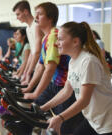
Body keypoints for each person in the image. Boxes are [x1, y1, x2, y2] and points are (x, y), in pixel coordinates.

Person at [40, 21, 112, 135]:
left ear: (75, 41)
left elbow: (84, 100)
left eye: (60, 39)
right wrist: (43, 108)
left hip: (111, 122)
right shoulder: (73, 61)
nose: (56, 43)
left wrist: (60, 118)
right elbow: (66, 91)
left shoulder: (88, 61)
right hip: (94, 119)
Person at [22, 2, 83, 135]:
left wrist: (35, 92)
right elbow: (40, 66)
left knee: (63, 128)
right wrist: (28, 86)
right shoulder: (46, 37)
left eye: (40, 14)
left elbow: (49, 69)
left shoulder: (54, 35)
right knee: (34, 109)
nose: (36, 16)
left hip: (64, 87)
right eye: (35, 13)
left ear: (50, 18)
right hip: (54, 85)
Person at [13, 1, 44, 84]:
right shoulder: (27, 28)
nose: (17, 17)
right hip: (35, 67)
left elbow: (37, 52)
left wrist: (28, 73)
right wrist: (25, 73)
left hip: (42, 68)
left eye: (18, 14)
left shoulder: (36, 25)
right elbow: (32, 53)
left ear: (26, 12)